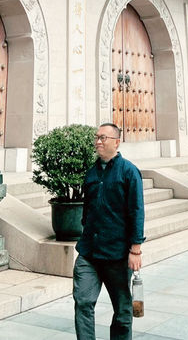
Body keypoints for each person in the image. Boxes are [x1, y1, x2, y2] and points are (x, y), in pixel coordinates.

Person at [73, 123, 145, 339]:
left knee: (123, 311)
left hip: (118, 255)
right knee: (83, 302)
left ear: (116, 142)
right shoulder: (91, 173)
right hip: (89, 254)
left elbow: (136, 211)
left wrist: (135, 249)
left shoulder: (129, 172)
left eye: (103, 138)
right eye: (97, 137)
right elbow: (86, 210)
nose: (98, 142)